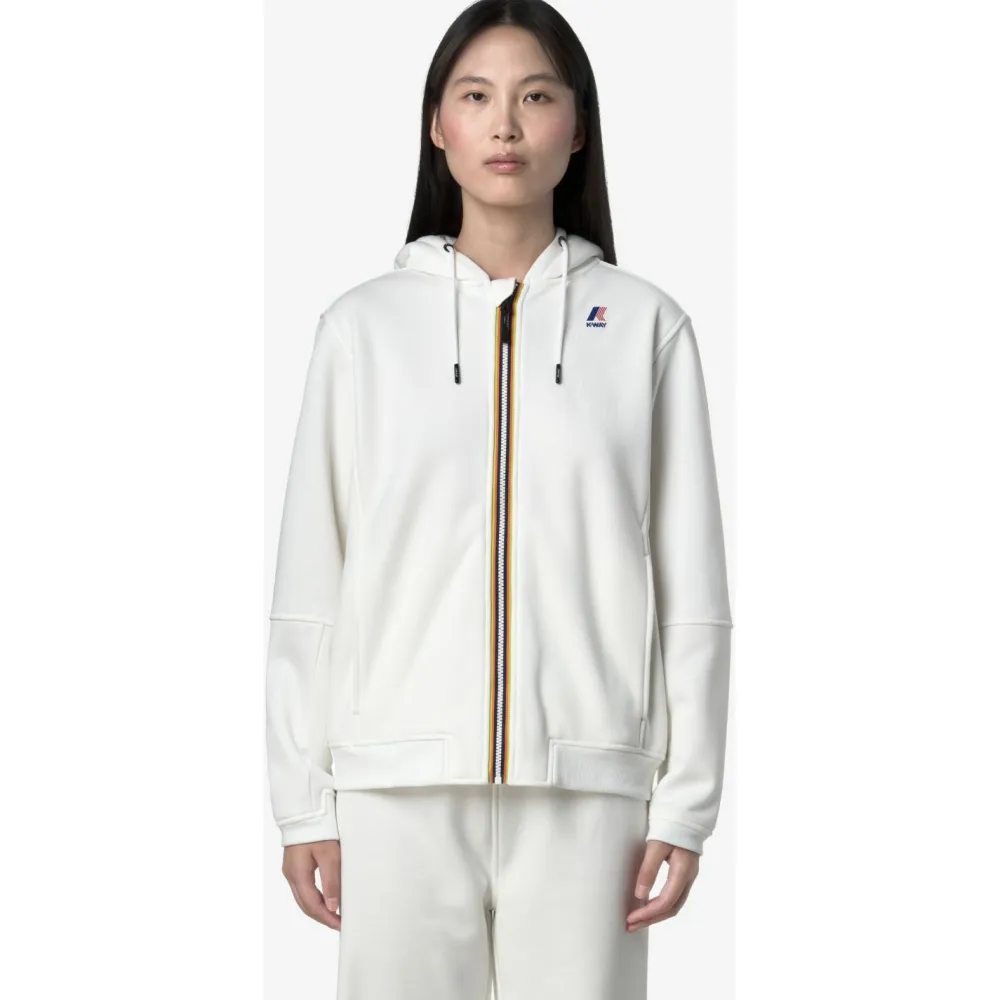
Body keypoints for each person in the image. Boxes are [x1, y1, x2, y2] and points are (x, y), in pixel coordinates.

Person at [265, 1, 733, 997]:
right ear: (437, 126)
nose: (506, 125)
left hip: (589, 789)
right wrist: (303, 801)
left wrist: (685, 803)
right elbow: (312, 582)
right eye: (476, 97)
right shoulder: (360, 330)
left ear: (578, 125)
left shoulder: (646, 328)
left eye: (536, 97)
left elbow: (693, 591)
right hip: (393, 786)